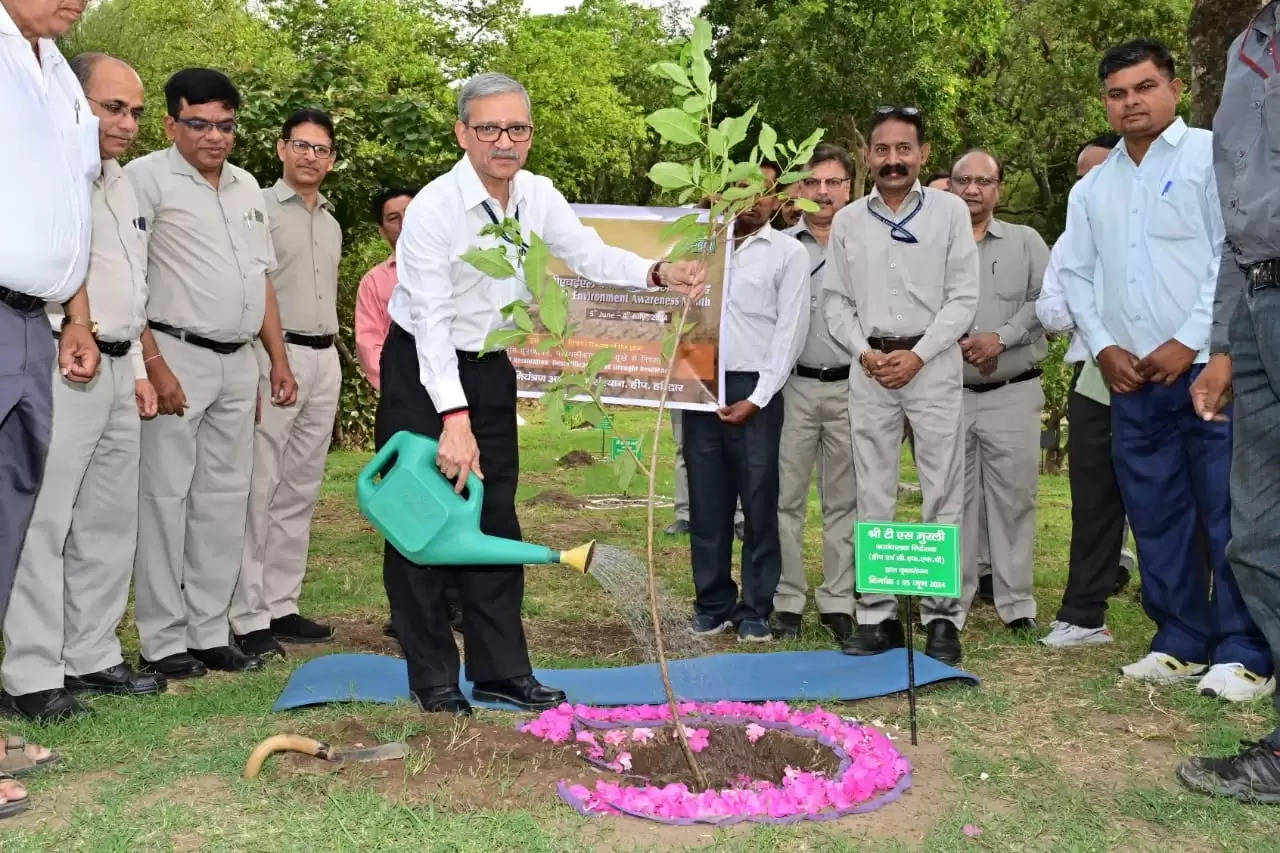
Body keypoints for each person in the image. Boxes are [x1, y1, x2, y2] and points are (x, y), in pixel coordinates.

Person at [382, 72, 704, 715]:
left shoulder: (535, 195)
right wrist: (453, 419)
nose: (505, 141)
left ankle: (501, 670)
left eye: (517, 128)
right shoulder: (433, 210)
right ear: (462, 133)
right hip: (424, 368)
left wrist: (656, 272)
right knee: (420, 522)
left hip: (491, 365)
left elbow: (585, 253)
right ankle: (433, 679)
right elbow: (433, 323)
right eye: (489, 128)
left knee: (494, 519)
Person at [1059, 40, 1272, 699]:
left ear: (1175, 89)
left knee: (1228, 511)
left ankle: (1245, 650)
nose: (1132, 102)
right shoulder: (1094, 186)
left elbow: (1229, 253)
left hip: (1209, 369)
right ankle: (1180, 636)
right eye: (1118, 93)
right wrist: (1101, 346)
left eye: (1144, 87)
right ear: (1105, 103)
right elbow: (1076, 273)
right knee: (1155, 512)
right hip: (1132, 380)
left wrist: (1191, 339)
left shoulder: (1213, 156)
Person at [2, 52, 164, 725]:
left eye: (134, 111)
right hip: (60, 357)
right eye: (111, 108)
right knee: (43, 520)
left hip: (122, 367)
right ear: (73, 102)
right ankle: (31, 673)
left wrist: (143, 370)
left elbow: (133, 282)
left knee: (107, 521)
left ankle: (92, 655)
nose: (125, 123)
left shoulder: (122, 183)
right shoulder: (46, 175)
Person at [127, 68, 298, 680]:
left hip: (238, 363)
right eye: (199, 123)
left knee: (225, 502)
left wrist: (276, 361)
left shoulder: (248, 186)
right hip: (175, 357)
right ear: (171, 122)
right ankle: (163, 640)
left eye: (225, 125)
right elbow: (131, 280)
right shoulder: (143, 180)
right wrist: (153, 364)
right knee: (165, 499)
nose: (215, 136)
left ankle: (208, 631)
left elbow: (261, 280)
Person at [824, 105, 978, 666]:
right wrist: (866, 353)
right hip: (869, 367)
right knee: (873, 492)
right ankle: (877, 616)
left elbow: (963, 298)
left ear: (922, 154)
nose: (893, 160)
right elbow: (835, 302)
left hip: (932, 365)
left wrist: (917, 355)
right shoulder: (846, 222)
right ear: (867, 155)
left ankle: (942, 618)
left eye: (903, 150)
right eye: (882, 150)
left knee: (942, 492)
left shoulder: (950, 213)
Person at [1177, 1, 1280, 801]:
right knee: (1254, 533)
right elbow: (1236, 222)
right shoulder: (1249, 44)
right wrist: (1222, 344)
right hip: (1254, 298)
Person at [0, 0, 101, 819]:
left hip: (33, 322)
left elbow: (68, 203)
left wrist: (74, 313)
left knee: (6, 526)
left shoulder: (58, 68)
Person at [231, 109, 343, 659]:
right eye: (301, 145)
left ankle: (281, 604)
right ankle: (247, 615)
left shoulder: (330, 221)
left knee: (300, 486)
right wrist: (275, 359)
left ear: (332, 159)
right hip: (278, 356)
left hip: (325, 356)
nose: (311, 157)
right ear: (281, 148)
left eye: (322, 150)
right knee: (261, 483)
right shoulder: (260, 211)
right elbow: (257, 289)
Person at [685, 162, 809, 643]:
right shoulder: (696, 243)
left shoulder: (787, 253)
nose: (750, 198)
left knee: (759, 499)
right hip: (697, 383)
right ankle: (712, 602)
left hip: (757, 389)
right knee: (706, 499)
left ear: (778, 198)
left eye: (762, 190)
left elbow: (790, 331)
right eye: (737, 186)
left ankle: (756, 606)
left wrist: (759, 396)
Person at [1037, 132, 1139, 648]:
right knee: (1094, 501)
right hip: (1095, 379)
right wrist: (1097, 301)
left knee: (1171, 499)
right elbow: (1051, 312)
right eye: (1083, 176)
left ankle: (1187, 613)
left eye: (1100, 174)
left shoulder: (1153, 235)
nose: (1089, 185)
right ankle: (1082, 615)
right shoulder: (1070, 242)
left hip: (1167, 370)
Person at [951, 149, 1049, 633]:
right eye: (963, 180)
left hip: (1013, 390)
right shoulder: (933, 244)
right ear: (949, 186)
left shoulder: (1027, 242)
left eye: (983, 181)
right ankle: (955, 603)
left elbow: (1045, 302)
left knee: (1015, 500)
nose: (973, 190)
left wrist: (1001, 338)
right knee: (955, 500)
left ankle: (1016, 604)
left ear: (999, 187)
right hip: (949, 395)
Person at [772, 144, 858, 645]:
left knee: (843, 500)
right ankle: (787, 599)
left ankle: (838, 600)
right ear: (798, 189)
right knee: (786, 500)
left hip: (852, 387)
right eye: (813, 183)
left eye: (833, 183)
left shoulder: (868, 245)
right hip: (793, 388)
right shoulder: (782, 247)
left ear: (850, 188)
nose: (823, 192)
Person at [355, 186, 415, 390]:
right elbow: (369, 346)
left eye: (410, 213)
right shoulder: (374, 281)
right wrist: (399, 385)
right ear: (382, 231)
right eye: (393, 218)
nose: (403, 223)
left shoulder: (453, 267)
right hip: (403, 391)